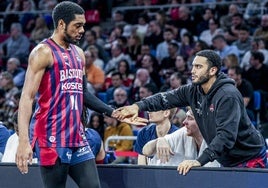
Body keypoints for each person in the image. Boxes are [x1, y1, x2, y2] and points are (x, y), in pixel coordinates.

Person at [15, 2, 146, 188]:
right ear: (61, 24)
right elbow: (27, 98)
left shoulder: (79, 54)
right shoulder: (42, 52)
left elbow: (83, 93)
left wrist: (114, 112)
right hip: (52, 136)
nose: (82, 30)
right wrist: (23, 141)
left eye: (83, 25)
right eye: (77, 25)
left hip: (77, 134)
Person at [115, 49, 267, 175]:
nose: (192, 71)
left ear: (213, 70)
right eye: (193, 66)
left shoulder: (227, 95)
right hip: (227, 161)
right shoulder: (194, 90)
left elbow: (226, 136)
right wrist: (137, 106)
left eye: (199, 67)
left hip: (249, 158)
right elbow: (164, 98)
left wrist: (199, 161)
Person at [142, 107, 220, 167]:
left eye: (190, 118)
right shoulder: (183, 132)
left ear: (203, 122)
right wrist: (159, 140)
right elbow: (145, 151)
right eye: (186, 117)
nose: (184, 122)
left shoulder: (218, 138)